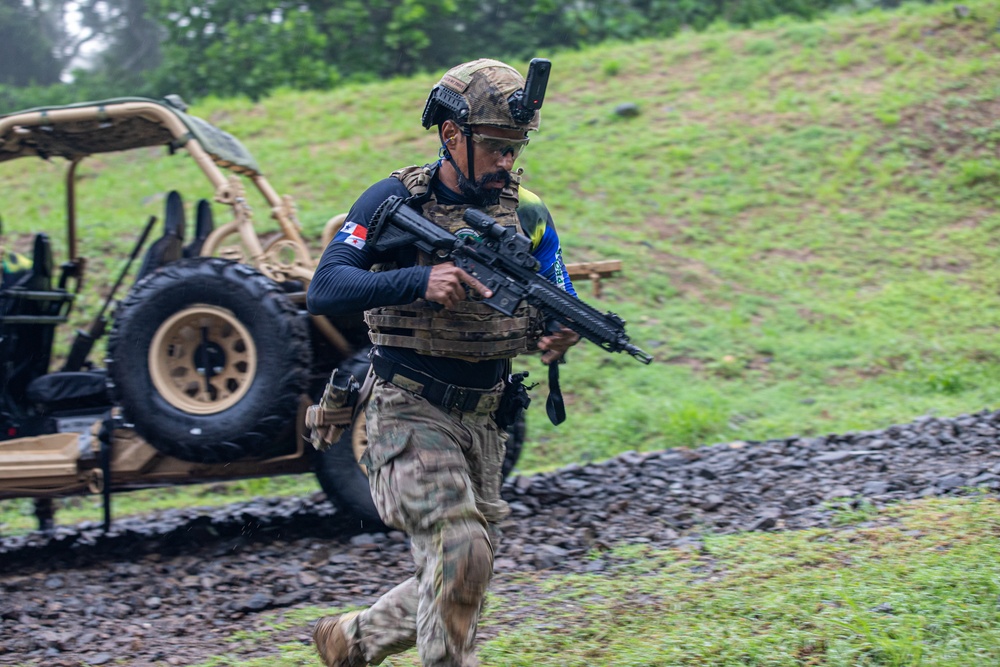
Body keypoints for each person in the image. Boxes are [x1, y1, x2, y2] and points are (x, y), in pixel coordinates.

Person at [306, 57, 580, 667]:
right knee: (462, 553)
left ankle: (352, 641)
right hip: (406, 405)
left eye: (517, 149)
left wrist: (563, 330)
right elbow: (325, 287)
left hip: (484, 422)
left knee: (465, 569)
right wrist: (419, 279)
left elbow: (559, 292)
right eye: (497, 148)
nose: (507, 163)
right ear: (452, 135)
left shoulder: (528, 212)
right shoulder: (390, 201)